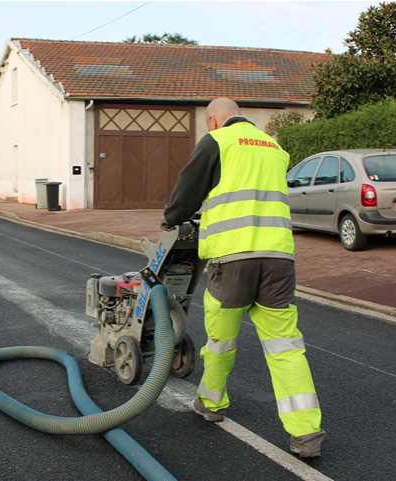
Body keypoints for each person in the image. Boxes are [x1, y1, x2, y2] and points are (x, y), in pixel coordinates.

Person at [161, 98, 326, 458]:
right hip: (279, 260)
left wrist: (171, 216)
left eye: (208, 124)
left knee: (221, 340)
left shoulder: (218, 141)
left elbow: (188, 190)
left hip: (232, 260)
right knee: (286, 347)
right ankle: (307, 433)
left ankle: (211, 403)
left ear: (213, 120)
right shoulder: (274, 147)